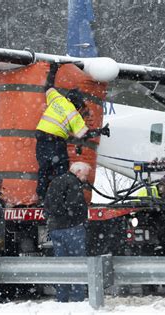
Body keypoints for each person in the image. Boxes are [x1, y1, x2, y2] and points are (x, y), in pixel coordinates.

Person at [35, 63, 110, 203]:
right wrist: (101, 131)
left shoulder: (57, 99)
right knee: (61, 171)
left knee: (44, 169)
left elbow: (48, 87)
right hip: (56, 141)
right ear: (77, 104)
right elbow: (85, 134)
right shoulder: (73, 114)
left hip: (41, 138)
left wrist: (53, 70)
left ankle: (41, 198)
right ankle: (61, 198)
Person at [44, 161, 91, 302]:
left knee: (62, 264)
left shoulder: (56, 181)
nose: (86, 179)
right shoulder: (73, 183)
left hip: (55, 229)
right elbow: (75, 206)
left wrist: (54, 219)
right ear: (77, 172)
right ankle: (78, 298)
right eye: (85, 175)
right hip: (71, 228)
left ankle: (62, 297)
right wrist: (80, 221)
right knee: (78, 264)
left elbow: (47, 204)